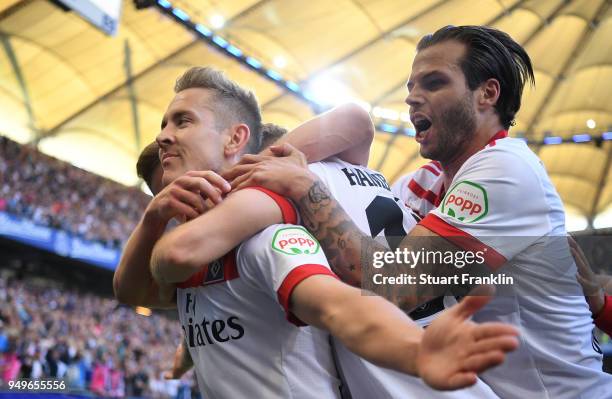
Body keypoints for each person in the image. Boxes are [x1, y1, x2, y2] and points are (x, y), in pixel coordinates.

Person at [223, 25, 612, 398]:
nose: (412, 97)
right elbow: (358, 228)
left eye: (434, 82)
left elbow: (390, 287)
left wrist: (305, 186)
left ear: (487, 94)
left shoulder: (508, 171)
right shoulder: (425, 182)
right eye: (411, 86)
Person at [115, 66, 519, 398]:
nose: (164, 135)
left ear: (241, 144)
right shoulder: (229, 231)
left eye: (183, 122)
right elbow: (133, 289)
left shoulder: (268, 226)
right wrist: (154, 218)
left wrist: (417, 351)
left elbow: (338, 306)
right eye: (164, 195)